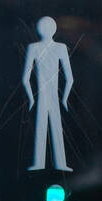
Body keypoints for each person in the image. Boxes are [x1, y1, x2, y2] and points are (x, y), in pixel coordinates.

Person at [22, 15, 73, 171]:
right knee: (55, 128)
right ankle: (60, 164)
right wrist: (64, 98)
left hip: (42, 97)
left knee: (42, 128)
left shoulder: (34, 48)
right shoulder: (60, 48)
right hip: (52, 97)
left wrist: (32, 99)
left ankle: (40, 163)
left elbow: (26, 79)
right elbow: (70, 79)